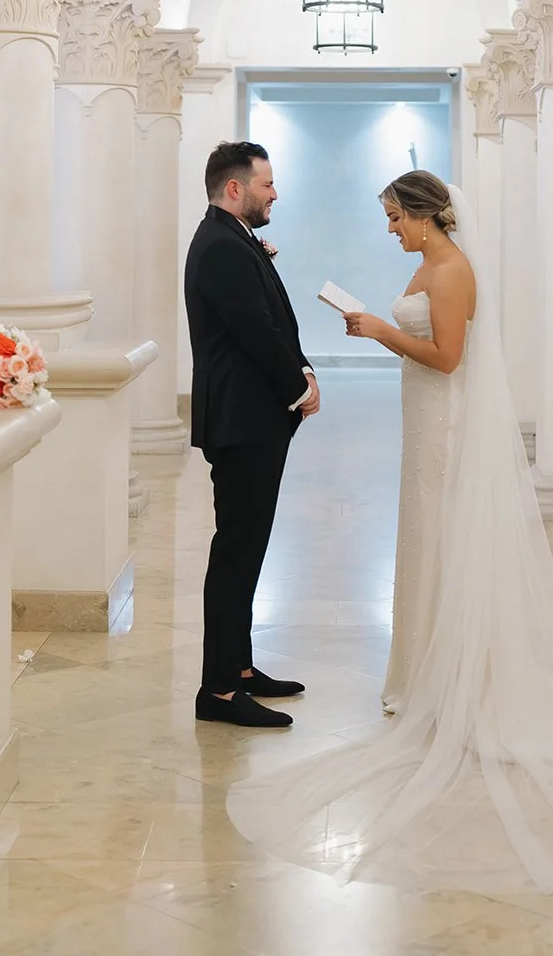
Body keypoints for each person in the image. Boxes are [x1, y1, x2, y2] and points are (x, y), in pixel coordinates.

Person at [227, 171, 553, 893]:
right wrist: (382, 330)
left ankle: (460, 677)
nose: (390, 230)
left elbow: (449, 359)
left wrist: (380, 330)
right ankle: (427, 670)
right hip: (421, 417)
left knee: (442, 535)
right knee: (424, 540)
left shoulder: (453, 269)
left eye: (396, 217)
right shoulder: (427, 263)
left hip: (446, 422)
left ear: (428, 215)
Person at [185, 141, 320, 730]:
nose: (274, 192)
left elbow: (271, 316)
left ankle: (239, 669)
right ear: (235, 188)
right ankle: (217, 692)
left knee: (248, 547)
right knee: (236, 551)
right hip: (242, 421)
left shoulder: (232, 238)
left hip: (252, 417)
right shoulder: (220, 245)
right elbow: (255, 332)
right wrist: (298, 384)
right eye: (266, 183)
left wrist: (304, 369)